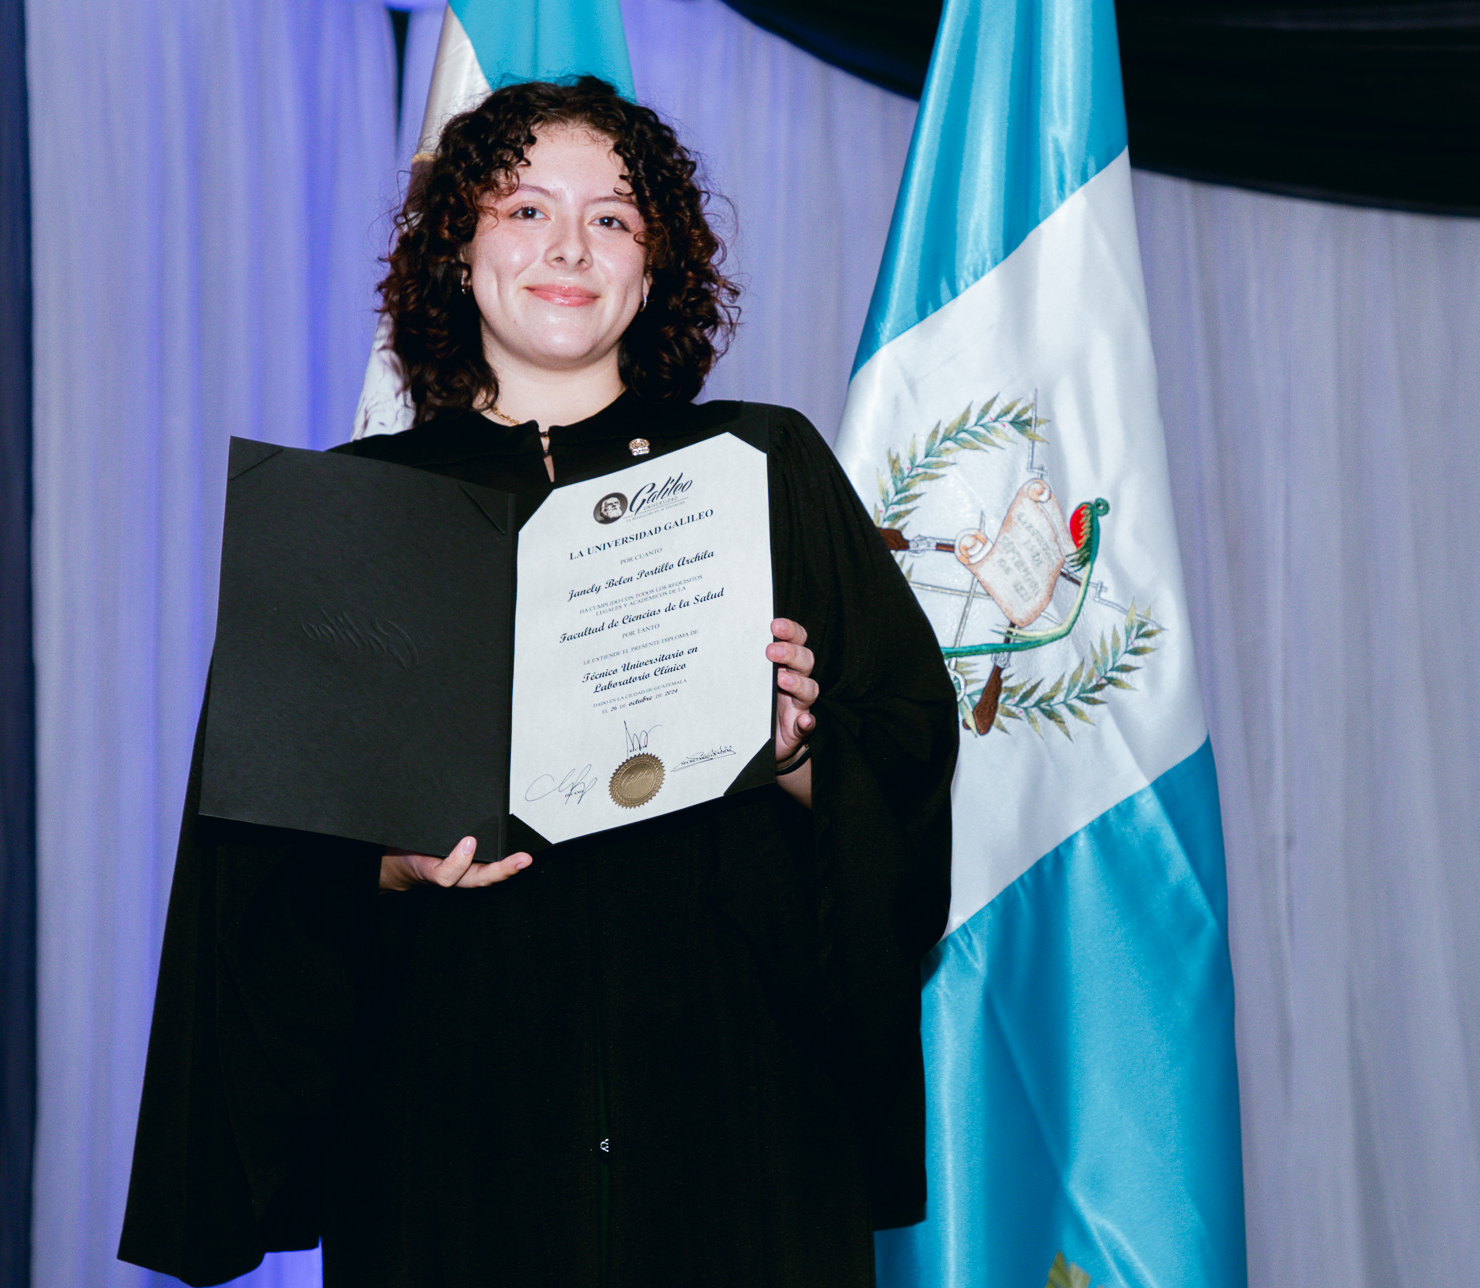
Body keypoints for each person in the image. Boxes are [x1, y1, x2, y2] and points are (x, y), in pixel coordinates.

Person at [120, 77, 957, 1288]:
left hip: (738, 1133)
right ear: (459, 252)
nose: (569, 246)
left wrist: (799, 757)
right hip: (450, 1144)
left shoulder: (762, 470)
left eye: (613, 218)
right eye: (523, 208)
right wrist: (384, 863)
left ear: (654, 264)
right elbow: (248, 878)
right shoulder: (353, 517)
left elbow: (906, 767)